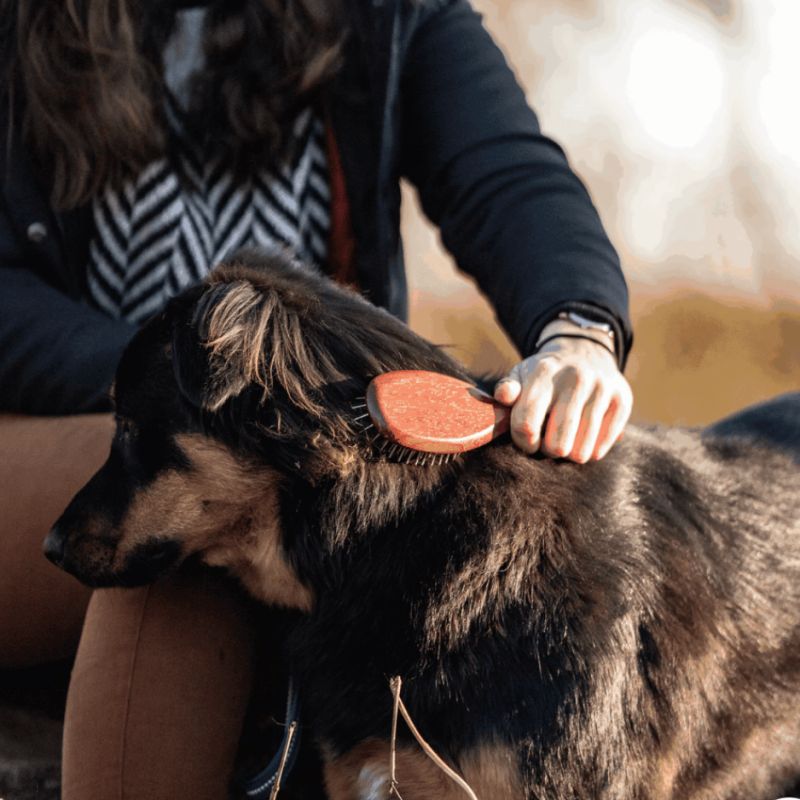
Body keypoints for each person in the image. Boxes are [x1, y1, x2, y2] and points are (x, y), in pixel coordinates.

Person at [0, 0, 634, 796]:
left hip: (285, 446)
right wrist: (172, 380)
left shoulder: (385, 14)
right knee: (198, 500)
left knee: (235, 485)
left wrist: (576, 330)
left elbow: (506, 174)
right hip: (45, 427)